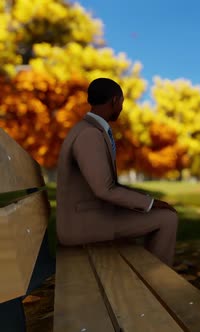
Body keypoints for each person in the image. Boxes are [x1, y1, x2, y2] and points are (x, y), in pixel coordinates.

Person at [56, 77, 178, 266]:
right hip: (84, 224)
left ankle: (150, 273)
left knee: (155, 215)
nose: (121, 107)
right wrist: (151, 203)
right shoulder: (89, 134)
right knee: (167, 219)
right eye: (121, 102)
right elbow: (104, 190)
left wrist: (146, 201)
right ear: (114, 100)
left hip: (90, 215)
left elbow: (105, 185)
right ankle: (158, 281)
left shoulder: (89, 129)